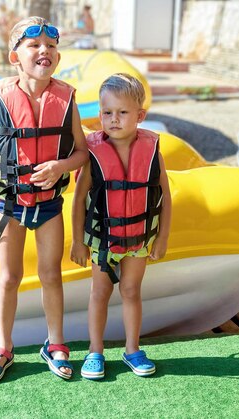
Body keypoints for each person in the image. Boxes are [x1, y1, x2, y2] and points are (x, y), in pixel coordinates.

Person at [0, 16, 89, 385]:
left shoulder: (66, 100)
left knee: (51, 274)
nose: (45, 52)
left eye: (52, 47)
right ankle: (3, 347)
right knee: (9, 277)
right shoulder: (2, 99)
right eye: (35, 46)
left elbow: (82, 153)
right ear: (14, 57)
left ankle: (55, 344)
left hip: (49, 203)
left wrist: (59, 166)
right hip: (11, 203)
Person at [70, 73, 172, 380]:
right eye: (107, 113)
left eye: (123, 112)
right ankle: (95, 351)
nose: (114, 119)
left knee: (131, 290)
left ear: (140, 115)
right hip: (102, 240)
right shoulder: (92, 152)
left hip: (140, 238)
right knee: (99, 292)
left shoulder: (152, 149)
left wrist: (162, 237)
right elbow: (77, 200)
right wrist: (78, 241)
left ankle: (132, 349)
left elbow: (165, 195)